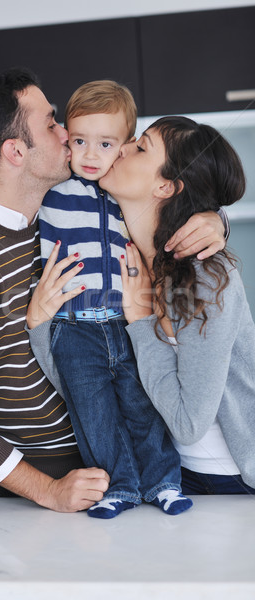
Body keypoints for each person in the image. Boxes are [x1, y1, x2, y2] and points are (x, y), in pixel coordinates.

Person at [0, 76, 227, 515]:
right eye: (63, 130)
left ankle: (160, 482)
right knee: (99, 412)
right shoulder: (32, 206)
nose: (80, 149)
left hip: (123, 340)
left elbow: (175, 188)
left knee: (140, 406)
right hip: (41, 472)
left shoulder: (99, 190)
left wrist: (216, 217)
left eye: (109, 145)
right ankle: (125, 486)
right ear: (17, 152)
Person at [101, 115, 255, 495]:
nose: (121, 147)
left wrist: (139, 319)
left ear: (166, 186)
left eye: (140, 147)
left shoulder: (206, 277)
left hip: (232, 483)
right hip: (168, 476)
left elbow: (188, 424)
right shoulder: (121, 254)